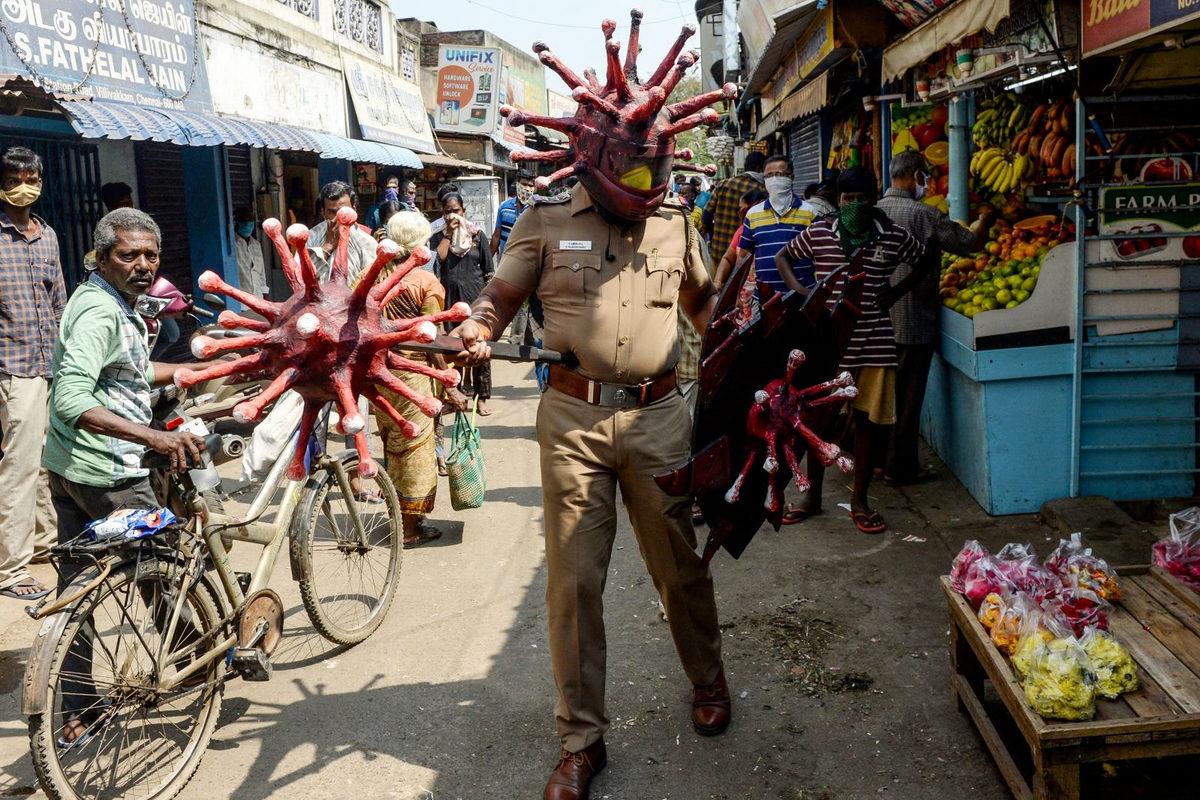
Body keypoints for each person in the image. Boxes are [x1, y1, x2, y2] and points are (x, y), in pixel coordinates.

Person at [450, 162, 728, 800]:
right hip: (573, 420)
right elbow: (499, 298)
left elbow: (703, 301)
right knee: (573, 581)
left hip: (659, 417)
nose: (644, 181)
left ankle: (708, 677)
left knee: (677, 562)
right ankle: (581, 741)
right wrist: (476, 327)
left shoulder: (674, 223)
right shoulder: (544, 219)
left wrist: (728, 349)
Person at [43, 208, 213, 742]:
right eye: (127, 255)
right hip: (111, 474)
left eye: (150, 256)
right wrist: (155, 437)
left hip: (70, 469)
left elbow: (129, 372)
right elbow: (71, 397)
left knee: (79, 591)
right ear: (100, 257)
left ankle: (78, 710)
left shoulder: (112, 302)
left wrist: (198, 370)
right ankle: (196, 662)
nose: (142, 265)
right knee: (161, 569)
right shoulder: (101, 313)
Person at [775, 167, 929, 535]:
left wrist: (896, 291)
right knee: (817, 423)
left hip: (874, 346)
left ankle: (859, 502)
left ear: (874, 199)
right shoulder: (822, 231)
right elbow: (784, 258)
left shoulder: (891, 235)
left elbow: (924, 259)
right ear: (838, 200)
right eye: (848, 199)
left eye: (862, 199)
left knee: (865, 425)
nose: (855, 205)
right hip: (827, 345)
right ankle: (812, 498)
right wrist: (803, 294)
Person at [878, 150, 992, 485]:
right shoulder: (924, 215)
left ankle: (881, 462)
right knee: (908, 399)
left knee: (883, 397)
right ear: (915, 175)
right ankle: (899, 469)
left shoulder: (875, 211)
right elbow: (970, 243)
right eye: (924, 175)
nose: (925, 182)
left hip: (878, 322)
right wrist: (985, 217)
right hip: (913, 321)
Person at [364, 211, 468, 546]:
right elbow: (432, 339)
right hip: (413, 376)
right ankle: (409, 528)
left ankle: (399, 516)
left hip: (380, 374)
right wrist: (448, 382)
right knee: (416, 450)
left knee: (393, 444)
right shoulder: (425, 283)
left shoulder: (372, 279)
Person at [0, 146, 64, 600]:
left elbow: (58, 301)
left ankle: (46, 544)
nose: (25, 184)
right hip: (12, 368)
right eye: (16, 177)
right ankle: (11, 569)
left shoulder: (48, 237)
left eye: (33, 177)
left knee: (47, 463)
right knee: (20, 469)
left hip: (48, 366)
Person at [432, 191, 493, 415]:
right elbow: (439, 259)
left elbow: (489, 271)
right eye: (447, 212)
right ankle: (455, 394)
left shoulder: (477, 235)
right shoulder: (439, 236)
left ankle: (481, 396)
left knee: (479, 347)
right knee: (452, 348)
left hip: (475, 297)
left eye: (455, 211)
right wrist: (448, 234)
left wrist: (487, 302)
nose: (451, 215)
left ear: (463, 211)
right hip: (450, 299)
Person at [737, 155, 814, 296]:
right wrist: (739, 293)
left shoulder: (810, 212)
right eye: (769, 176)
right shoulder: (752, 214)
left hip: (803, 295)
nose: (774, 180)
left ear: (791, 177)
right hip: (764, 297)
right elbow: (743, 256)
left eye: (779, 175)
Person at [702, 150, 765, 265]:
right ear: (760, 168)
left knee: (717, 281)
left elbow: (706, 216)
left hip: (719, 252)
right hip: (745, 257)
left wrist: (713, 236)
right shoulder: (762, 190)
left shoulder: (723, 184)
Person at [307, 181, 379, 280]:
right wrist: (327, 246)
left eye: (343, 211)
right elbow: (302, 278)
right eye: (332, 212)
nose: (338, 217)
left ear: (354, 210)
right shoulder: (311, 236)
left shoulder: (366, 242)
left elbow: (372, 281)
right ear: (323, 213)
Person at [233, 205, 269, 298]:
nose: (248, 225)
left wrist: (265, 293)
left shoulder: (256, 244)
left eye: (250, 222)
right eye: (244, 221)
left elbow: (261, 272)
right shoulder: (232, 244)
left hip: (258, 297)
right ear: (236, 223)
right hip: (240, 299)